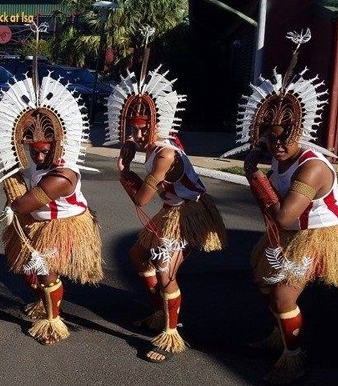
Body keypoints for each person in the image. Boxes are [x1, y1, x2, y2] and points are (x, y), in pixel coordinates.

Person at [228, 29, 338, 384]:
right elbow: (275, 210)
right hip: (292, 230)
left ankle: (294, 358)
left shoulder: (312, 167)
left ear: (299, 131)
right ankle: (280, 335)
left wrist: (253, 175)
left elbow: (283, 215)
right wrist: (259, 175)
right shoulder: (278, 155)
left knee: (283, 294)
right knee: (266, 282)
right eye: (270, 137)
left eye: (284, 137)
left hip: (320, 233)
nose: (276, 145)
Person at [103, 40, 227, 362]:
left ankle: (171, 335)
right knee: (137, 255)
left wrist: (124, 170)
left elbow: (142, 199)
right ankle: (160, 313)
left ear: (156, 124)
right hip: (172, 208)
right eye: (132, 128)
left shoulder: (164, 154)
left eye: (143, 129)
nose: (137, 135)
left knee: (164, 272)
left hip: (187, 213)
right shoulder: (153, 145)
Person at [0, 71, 104, 345]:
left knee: (45, 271)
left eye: (45, 151)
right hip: (37, 223)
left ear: (58, 144)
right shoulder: (36, 163)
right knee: (29, 269)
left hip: (63, 226)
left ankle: (53, 322)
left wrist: (10, 184)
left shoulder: (63, 176)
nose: (39, 156)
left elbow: (22, 204)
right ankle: (44, 302)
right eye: (34, 150)